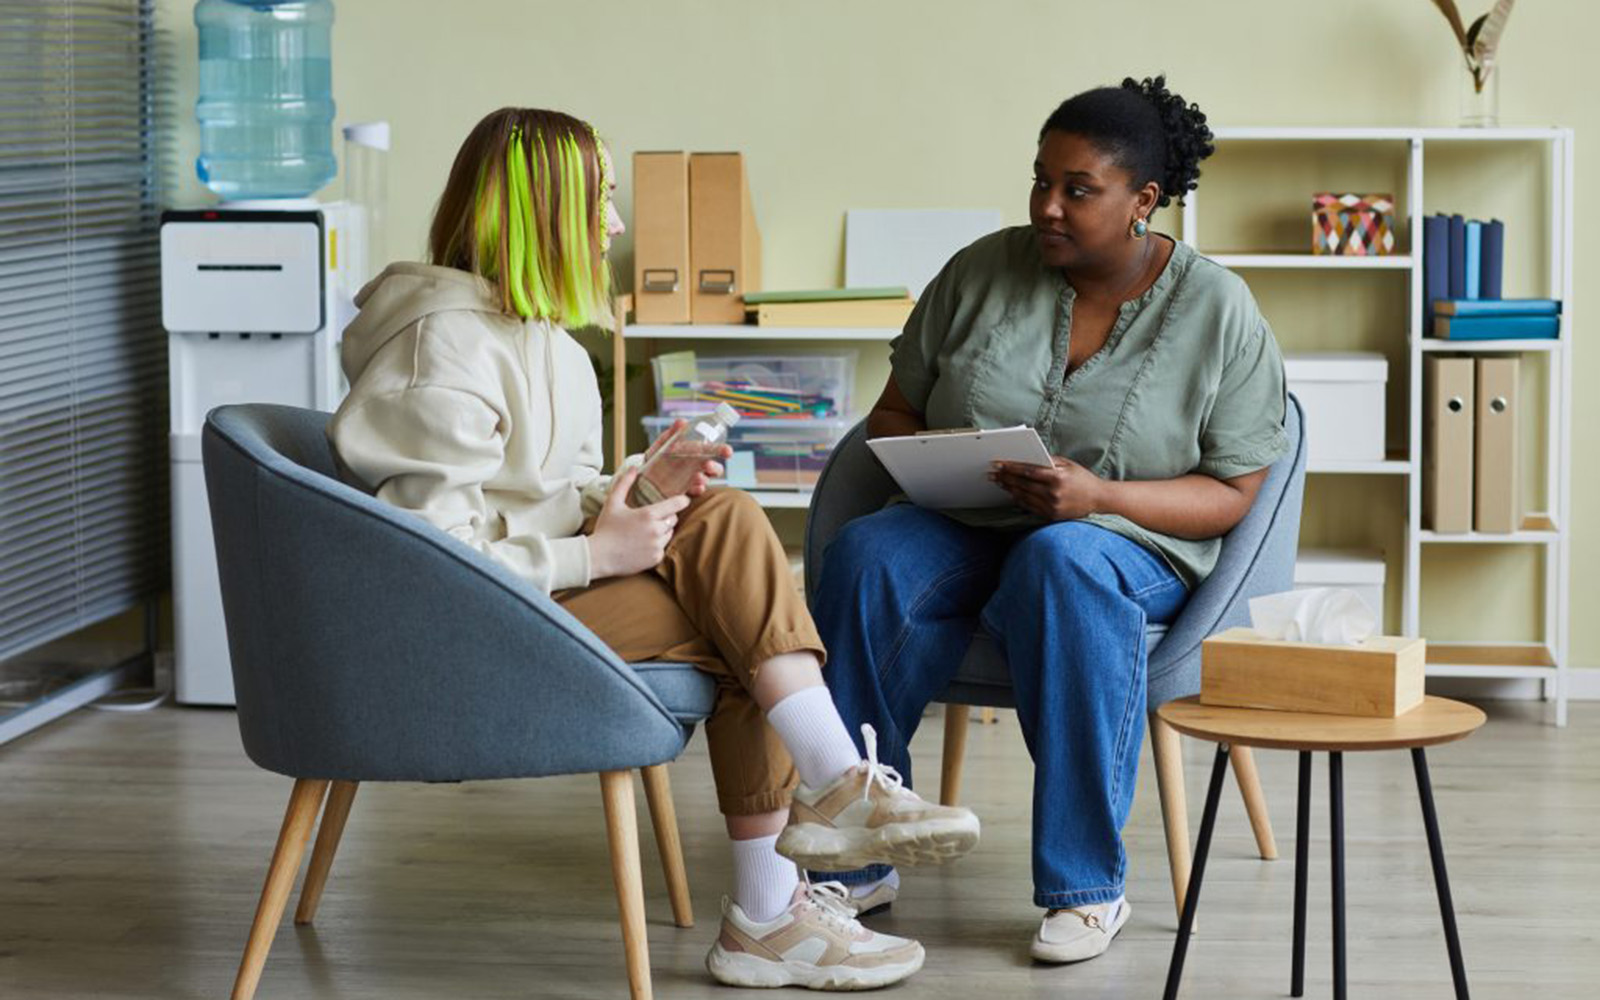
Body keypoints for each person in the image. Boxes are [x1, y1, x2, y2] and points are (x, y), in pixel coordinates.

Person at [325, 107, 979, 991]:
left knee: (739, 586)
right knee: (743, 611)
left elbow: (541, 497)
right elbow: (428, 562)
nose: (617, 225)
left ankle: (805, 845)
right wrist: (598, 556)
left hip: (531, 600)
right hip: (456, 631)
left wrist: (632, 493)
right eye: (599, 200)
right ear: (544, 213)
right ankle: (788, 874)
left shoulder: (544, 340)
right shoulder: (439, 348)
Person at [810, 76, 1289, 964]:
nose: (1048, 206)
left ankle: (1086, 886)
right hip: (967, 521)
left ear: (1144, 200)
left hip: (1130, 540)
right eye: (1040, 181)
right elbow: (891, 415)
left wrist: (1100, 497)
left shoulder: (1219, 308)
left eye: (1078, 189)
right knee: (870, 551)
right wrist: (939, 471)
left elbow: (1233, 492)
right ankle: (862, 851)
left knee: (1062, 561)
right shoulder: (979, 271)